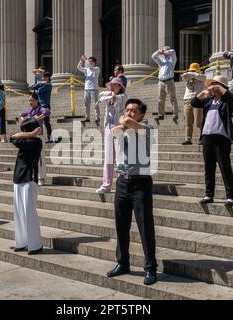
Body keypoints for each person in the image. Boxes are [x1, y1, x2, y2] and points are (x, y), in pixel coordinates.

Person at [107, 99, 158, 286]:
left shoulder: (147, 129)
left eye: (133, 111)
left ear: (142, 115)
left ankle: (151, 268)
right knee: (121, 226)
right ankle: (123, 263)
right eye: (127, 110)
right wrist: (123, 121)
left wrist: (123, 119)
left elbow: (126, 122)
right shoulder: (124, 130)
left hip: (140, 184)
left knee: (145, 227)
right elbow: (114, 131)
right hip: (122, 183)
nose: (129, 113)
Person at [191, 76, 233, 208]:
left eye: (215, 85)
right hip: (207, 137)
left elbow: (232, 97)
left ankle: (230, 196)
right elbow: (194, 103)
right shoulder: (208, 101)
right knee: (208, 168)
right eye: (212, 85)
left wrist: (219, 87)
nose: (212, 87)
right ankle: (209, 194)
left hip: (222, 138)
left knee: (225, 167)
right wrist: (201, 93)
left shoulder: (226, 101)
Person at [10, 118, 44, 255]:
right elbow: (12, 138)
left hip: (29, 179)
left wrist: (31, 135)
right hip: (18, 178)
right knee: (19, 214)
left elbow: (13, 138)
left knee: (30, 214)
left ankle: (35, 244)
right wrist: (30, 133)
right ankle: (22, 241)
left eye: (24, 130)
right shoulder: (29, 139)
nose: (21, 132)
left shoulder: (37, 142)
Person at [94, 77, 127, 194]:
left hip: (119, 128)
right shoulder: (108, 94)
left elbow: (114, 98)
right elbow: (102, 95)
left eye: (115, 85)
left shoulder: (123, 97)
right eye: (111, 85)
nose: (113, 86)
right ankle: (106, 185)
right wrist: (108, 93)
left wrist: (108, 96)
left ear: (120, 87)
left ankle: (122, 185)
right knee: (108, 158)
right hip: (108, 127)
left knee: (119, 157)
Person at [20, 93, 51, 186]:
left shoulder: (40, 109)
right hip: (30, 137)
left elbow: (47, 112)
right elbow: (22, 114)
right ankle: (34, 176)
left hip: (38, 137)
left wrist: (38, 118)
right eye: (29, 101)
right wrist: (24, 119)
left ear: (37, 101)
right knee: (32, 159)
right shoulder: (30, 110)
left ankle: (42, 178)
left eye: (32, 100)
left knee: (40, 159)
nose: (30, 102)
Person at [181, 63, 206, 145]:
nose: (191, 72)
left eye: (193, 70)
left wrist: (192, 73)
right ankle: (188, 139)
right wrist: (190, 73)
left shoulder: (202, 76)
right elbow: (183, 76)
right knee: (188, 122)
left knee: (198, 122)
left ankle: (202, 138)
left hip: (198, 100)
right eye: (191, 70)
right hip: (187, 100)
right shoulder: (187, 77)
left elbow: (202, 77)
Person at [152, 46, 179, 121]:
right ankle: (160, 114)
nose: (163, 52)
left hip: (169, 81)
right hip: (161, 81)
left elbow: (173, 51)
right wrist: (158, 51)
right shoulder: (161, 61)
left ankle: (175, 114)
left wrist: (164, 51)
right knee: (160, 99)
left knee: (172, 98)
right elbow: (153, 56)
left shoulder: (172, 59)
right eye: (163, 50)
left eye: (165, 50)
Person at [78, 55, 101, 124]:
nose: (89, 62)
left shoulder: (97, 68)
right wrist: (81, 60)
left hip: (94, 89)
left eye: (90, 61)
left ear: (94, 62)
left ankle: (97, 117)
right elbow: (79, 67)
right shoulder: (87, 69)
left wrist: (86, 60)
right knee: (86, 104)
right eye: (89, 61)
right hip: (86, 89)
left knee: (95, 104)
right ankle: (87, 117)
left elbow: (91, 68)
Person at [31, 72, 53, 143]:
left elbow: (39, 90)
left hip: (45, 105)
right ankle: (40, 137)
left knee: (46, 122)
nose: (42, 78)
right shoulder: (42, 84)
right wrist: (41, 83)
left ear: (47, 78)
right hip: (40, 105)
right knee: (39, 123)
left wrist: (41, 84)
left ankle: (50, 137)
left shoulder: (49, 85)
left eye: (43, 77)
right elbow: (34, 87)